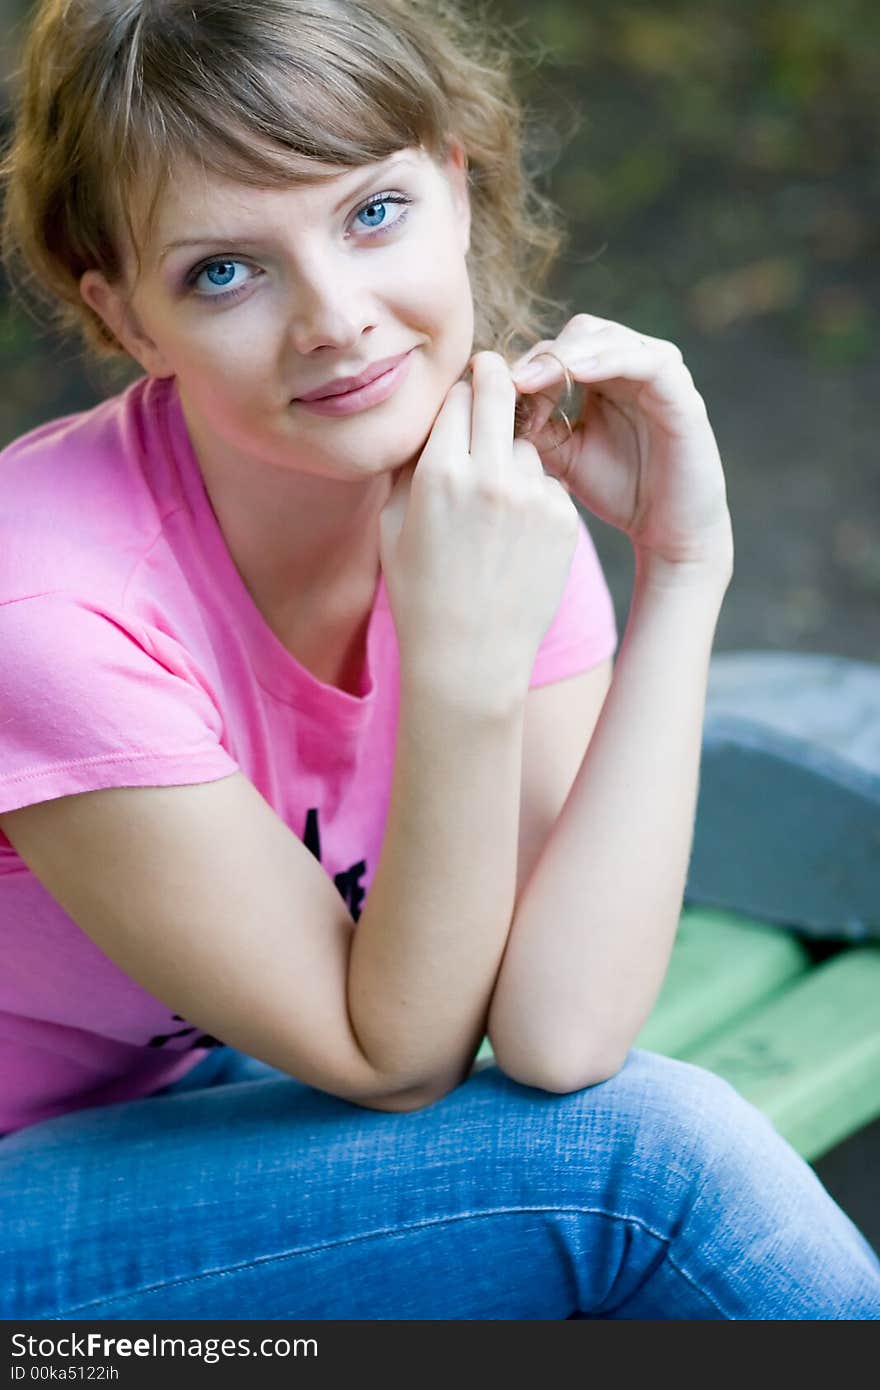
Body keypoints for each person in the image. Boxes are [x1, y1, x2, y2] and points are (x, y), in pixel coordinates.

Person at [0, 0, 877, 1322]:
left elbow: (565, 1028)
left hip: (185, 1106)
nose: (338, 320)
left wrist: (683, 574)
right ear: (124, 316)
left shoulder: (480, 489)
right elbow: (391, 1055)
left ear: (454, 187)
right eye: (225, 272)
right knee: (645, 1173)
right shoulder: (49, 607)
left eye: (370, 213)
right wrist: (466, 667)